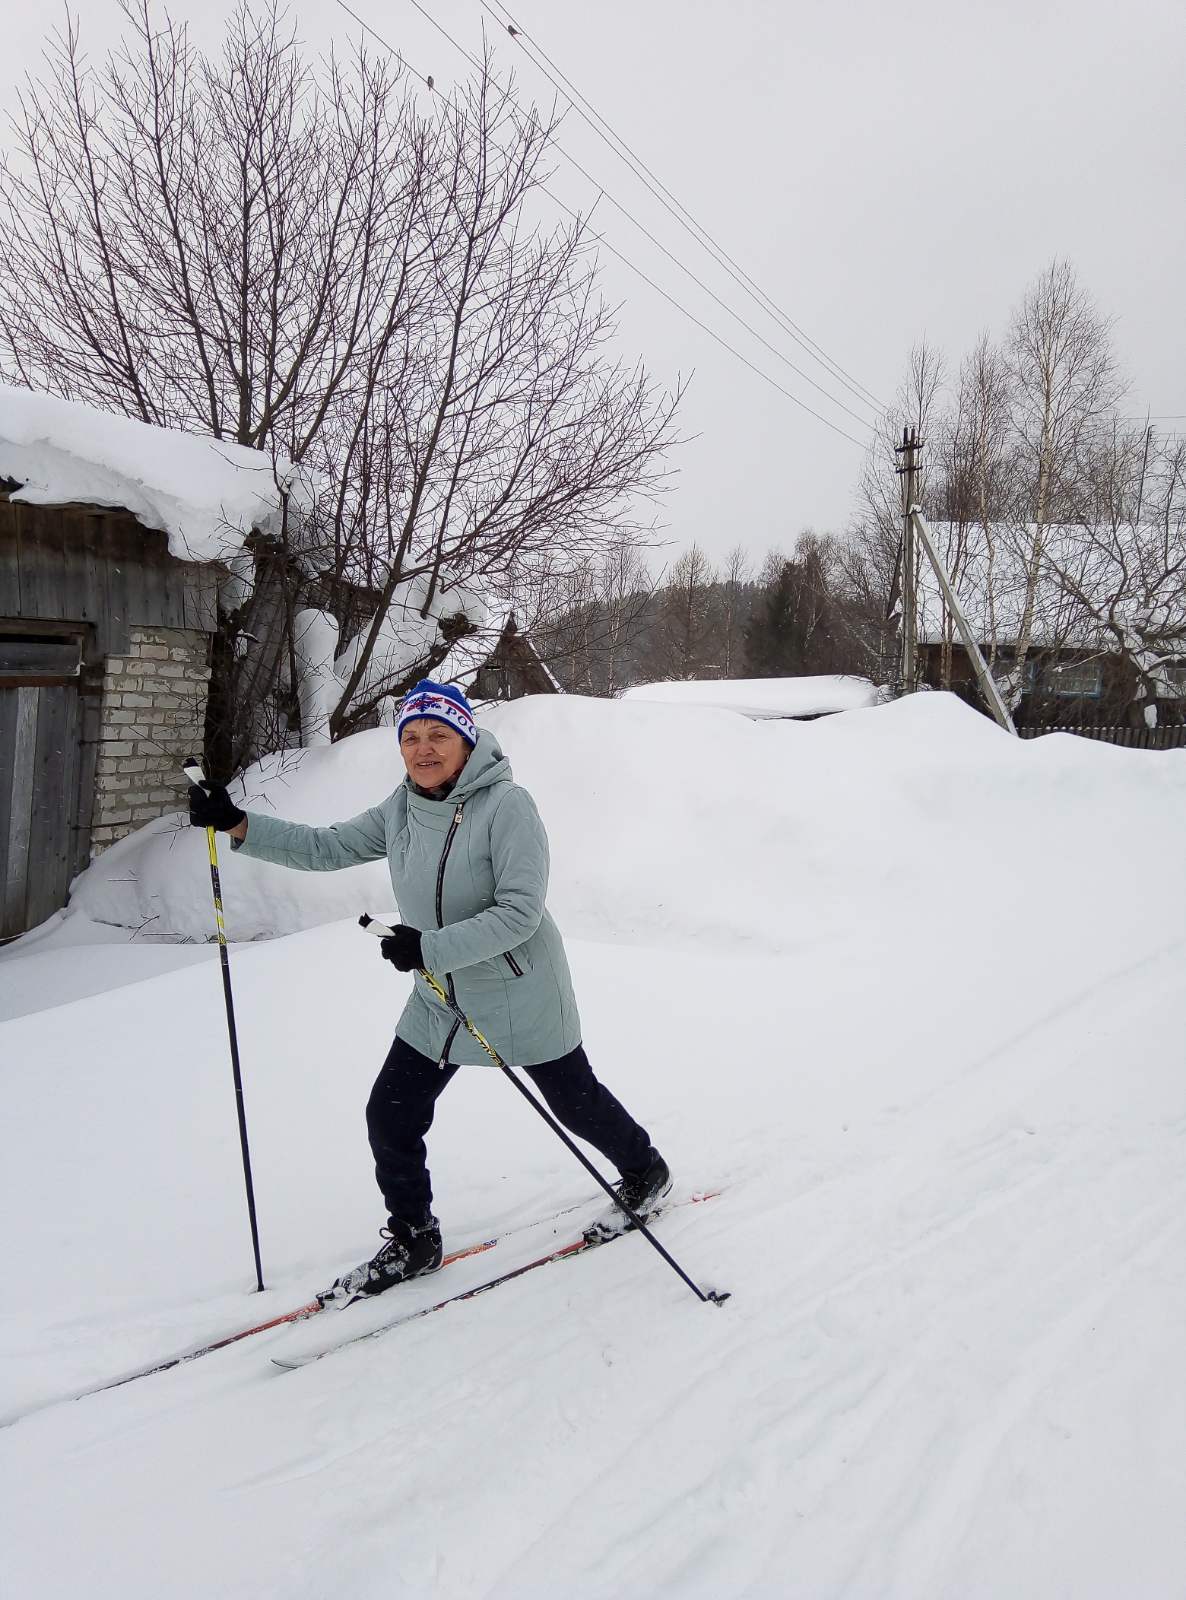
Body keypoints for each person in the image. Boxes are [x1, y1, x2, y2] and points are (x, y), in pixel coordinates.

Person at [188, 679, 670, 1299]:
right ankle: (415, 1237)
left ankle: (644, 1171)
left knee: (575, 1103)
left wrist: (429, 947)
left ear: (467, 741)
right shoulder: (402, 807)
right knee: (391, 1113)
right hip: (440, 995)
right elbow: (329, 847)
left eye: (439, 734)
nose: (423, 748)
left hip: (519, 988)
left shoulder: (508, 807)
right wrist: (238, 823)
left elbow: (521, 911)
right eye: (411, 737)